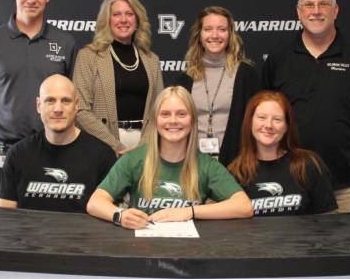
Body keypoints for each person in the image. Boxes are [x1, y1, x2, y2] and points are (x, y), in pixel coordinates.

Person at [261, 0, 350, 213]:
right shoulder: (279, 57)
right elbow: (263, 113)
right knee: (291, 248)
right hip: (289, 182)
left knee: (345, 248)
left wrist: (345, 145)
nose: (316, 11)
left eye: (323, 4)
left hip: (345, 185)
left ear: (335, 10)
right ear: (299, 12)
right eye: (309, 5)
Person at [0, 0, 77, 205]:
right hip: (2, 152)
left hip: (51, 151)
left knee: (48, 223)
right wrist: (1, 129)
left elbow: (71, 98)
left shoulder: (64, 43)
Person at [87, 86, 253, 229]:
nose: (173, 121)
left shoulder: (206, 165)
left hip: (189, 254)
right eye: (165, 114)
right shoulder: (133, 159)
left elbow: (244, 206)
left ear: (193, 121)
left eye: (181, 114)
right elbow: (95, 202)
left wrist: (189, 212)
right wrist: (120, 215)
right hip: (142, 251)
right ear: (155, 120)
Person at [0, 74, 116, 212]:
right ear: (38, 105)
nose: (58, 109)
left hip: (81, 234)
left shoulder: (103, 156)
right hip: (29, 234)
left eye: (66, 101)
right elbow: (4, 217)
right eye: (50, 101)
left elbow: (109, 218)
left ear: (76, 105)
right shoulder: (17, 154)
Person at [73, 0, 164, 155]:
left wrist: (142, 147)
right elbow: (80, 110)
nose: (123, 20)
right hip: (102, 145)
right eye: (116, 14)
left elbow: (159, 110)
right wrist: (116, 146)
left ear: (137, 20)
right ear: (107, 20)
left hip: (144, 146)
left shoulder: (152, 60)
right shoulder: (88, 56)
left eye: (129, 14)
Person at [174, 6, 260, 165]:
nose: (215, 35)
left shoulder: (246, 75)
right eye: (208, 29)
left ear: (230, 34)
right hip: (192, 164)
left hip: (235, 164)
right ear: (199, 34)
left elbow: (256, 125)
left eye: (222, 29)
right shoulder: (186, 78)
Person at [228, 91, 337, 216]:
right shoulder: (236, 173)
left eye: (277, 119)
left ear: (286, 126)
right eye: (262, 118)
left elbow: (328, 221)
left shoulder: (308, 164)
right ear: (250, 122)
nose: (268, 125)